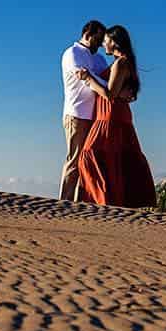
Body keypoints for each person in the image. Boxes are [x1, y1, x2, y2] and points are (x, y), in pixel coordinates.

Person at [74, 24, 156, 208]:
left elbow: (109, 94)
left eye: (106, 41)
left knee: (90, 156)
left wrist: (88, 78)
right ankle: (111, 203)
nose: (103, 44)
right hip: (115, 116)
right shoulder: (124, 62)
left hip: (110, 116)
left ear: (114, 42)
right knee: (114, 160)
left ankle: (102, 203)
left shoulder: (121, 62)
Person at [60, 20, 110, 201]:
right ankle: (63, 203)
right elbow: (86, 79)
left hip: (95, 117)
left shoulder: (99, 58)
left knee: (87, 162)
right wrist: (109, 89)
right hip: (77, 114)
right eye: (98, 39)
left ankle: (80, 203)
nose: (100, 44)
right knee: (74, 160)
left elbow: (104, 78)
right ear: (88, 34)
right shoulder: (72, 53)